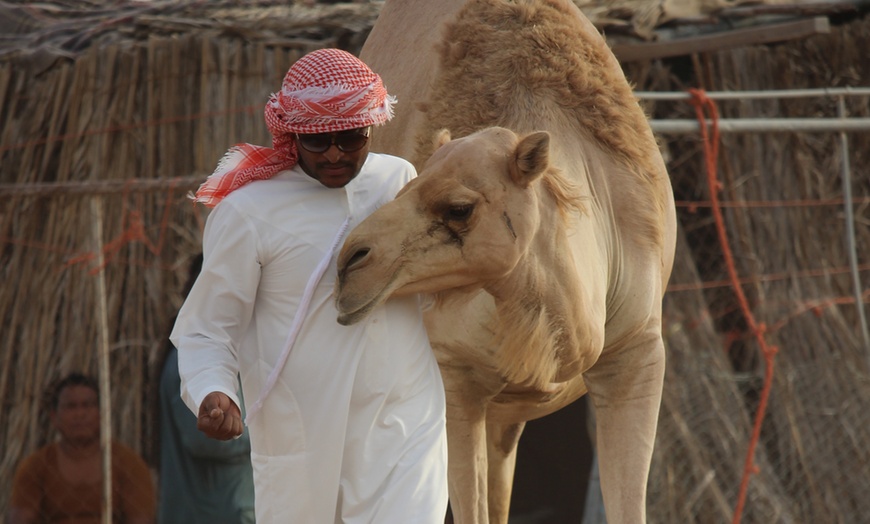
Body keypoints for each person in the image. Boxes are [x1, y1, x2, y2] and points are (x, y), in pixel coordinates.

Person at [170, 48, 448, 523]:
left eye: (350, 137)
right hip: (303, 434)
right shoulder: (248, 211)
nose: (336, 153)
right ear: (292, 134)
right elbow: (206, 329)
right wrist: (215, 390)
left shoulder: (399, 181)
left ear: (371, 127)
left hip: (404, 420)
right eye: (319, 142)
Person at [158, 254, 255, 524]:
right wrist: (277, 427)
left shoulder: (228, 350)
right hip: (211, 514)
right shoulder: (194, 357)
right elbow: (207, 441)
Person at [8, 373, 156, 524]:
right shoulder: (36, 466)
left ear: (102, 414)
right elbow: (21, 519)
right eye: (70, 407)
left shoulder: (128, 463)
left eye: (88, 405)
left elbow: (141, 520)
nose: (80, 414)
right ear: (54, 416)